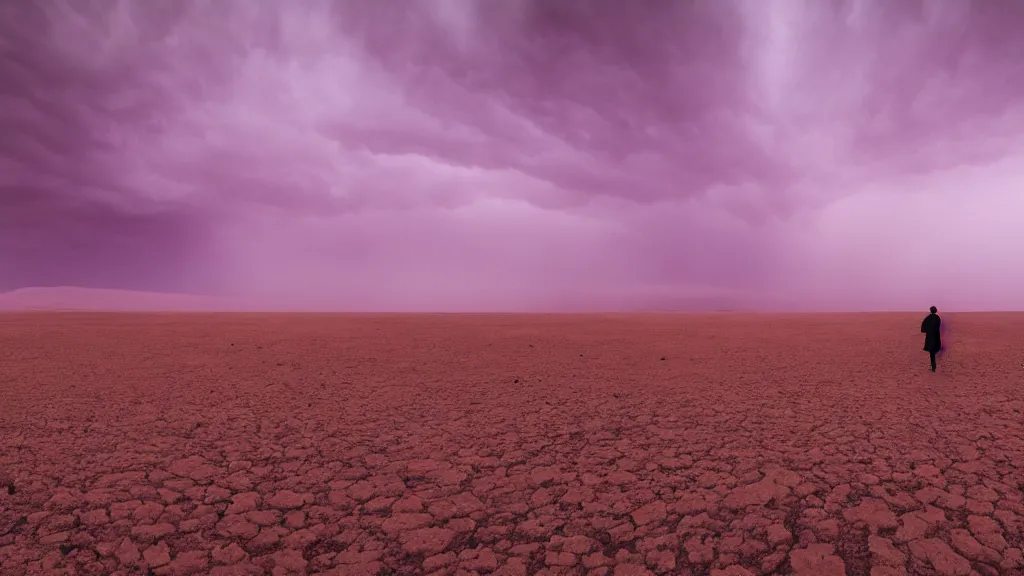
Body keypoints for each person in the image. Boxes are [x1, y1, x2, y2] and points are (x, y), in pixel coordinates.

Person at [921, 306, 942, 372]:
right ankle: (933, 366)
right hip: (936, 337)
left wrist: (928, 330)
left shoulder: (928, 318)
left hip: (930, 337)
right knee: (935, 350)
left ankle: (933, 367)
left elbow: (923, 329)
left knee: (932, 352)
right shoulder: (938, 318)